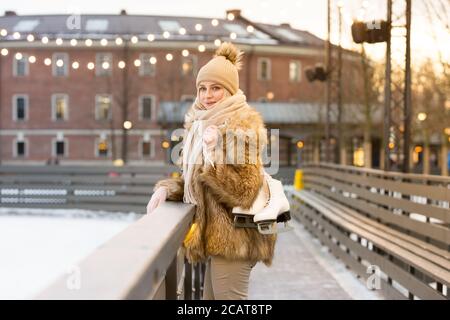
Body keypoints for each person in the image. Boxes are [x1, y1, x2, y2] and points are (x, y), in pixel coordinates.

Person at [147, 42, 276, 300]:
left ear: (230, 90)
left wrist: (216, 152)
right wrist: (167, 189)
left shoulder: (240, 127)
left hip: (237, 238)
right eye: (202, 89)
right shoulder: (200, 127)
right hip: (218, 239)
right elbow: (195, 182)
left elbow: (245, 190)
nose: (207, 95)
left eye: (216, 88)